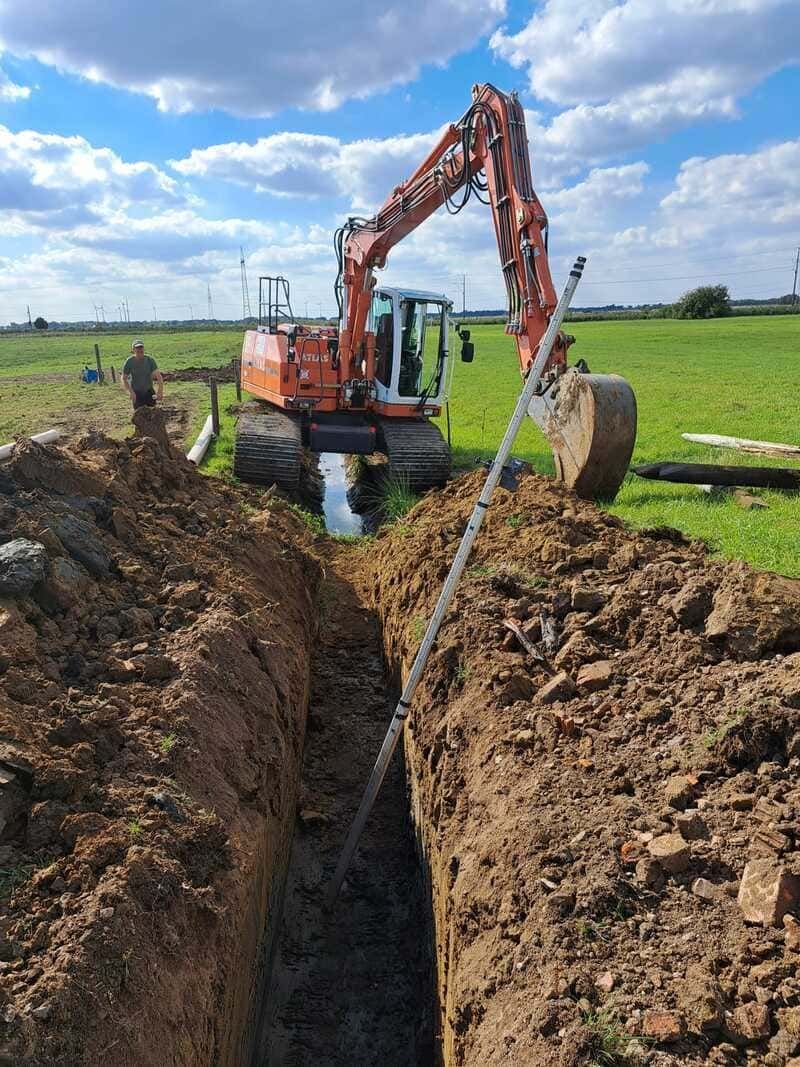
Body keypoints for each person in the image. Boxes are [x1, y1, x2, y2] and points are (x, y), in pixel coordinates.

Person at [122, 340, 163, 409]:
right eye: (137, 348)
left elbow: (159, 376)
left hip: (148, 391)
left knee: (153, 413)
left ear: (144, 349)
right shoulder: (129, 362)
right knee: (139, 414)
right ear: (133, 350)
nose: (140, 350)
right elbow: (124, 378)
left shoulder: (150, 360)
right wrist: (131, 392)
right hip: (136, 392)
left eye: (141, 348)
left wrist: (160, 391)